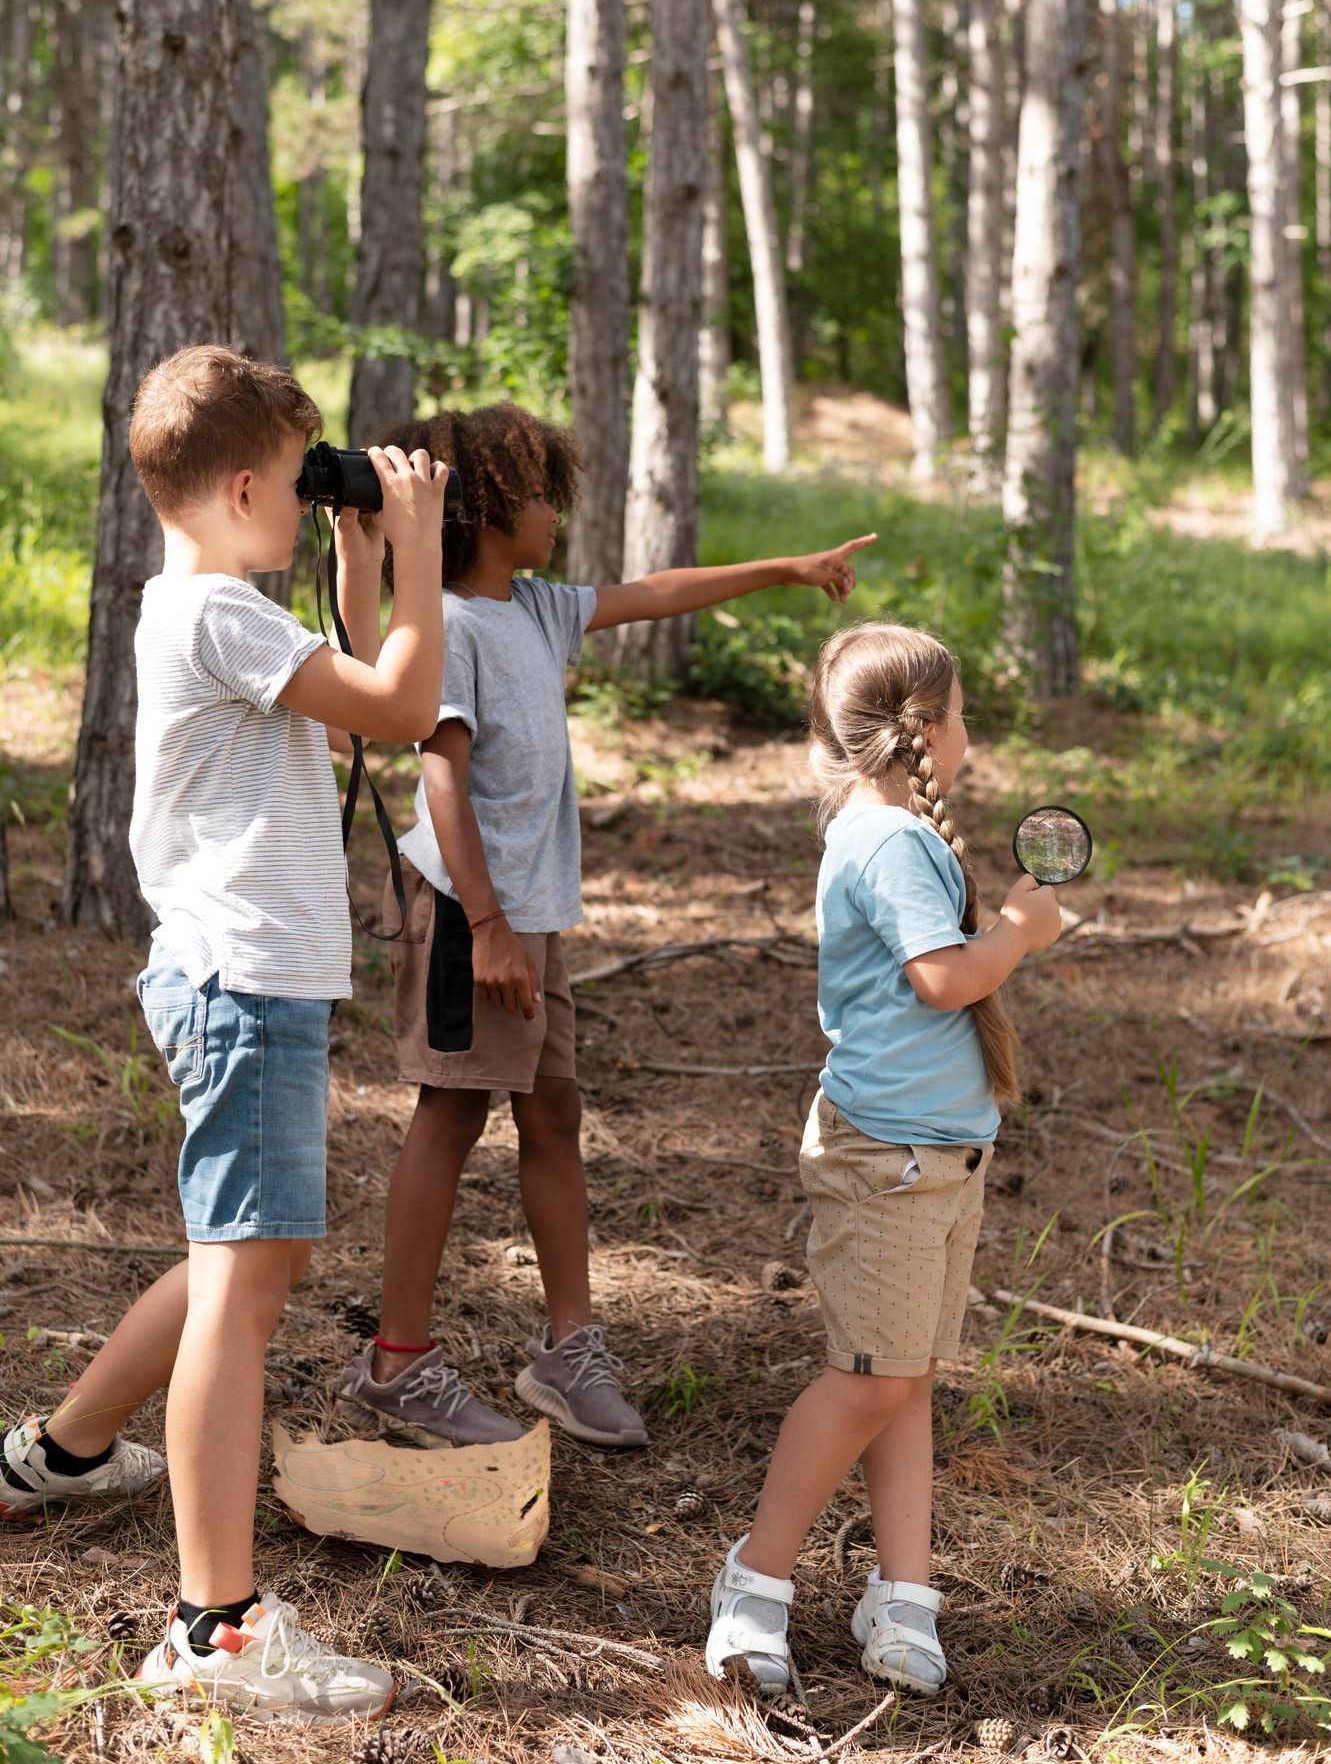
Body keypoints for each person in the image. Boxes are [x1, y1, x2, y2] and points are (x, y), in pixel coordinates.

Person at [0, 345, 448, 1723]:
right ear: (249, 483)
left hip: (244, 978)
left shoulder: (206, 600)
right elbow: (404, 705)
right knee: (247, 1286)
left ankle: (62, 1454)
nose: (306, 501)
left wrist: (361, 554)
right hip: (243, 985)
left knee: (250, 1264)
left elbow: (354, 667)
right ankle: (218, 1627)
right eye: (295, 483)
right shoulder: (216, 613)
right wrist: (421, 553)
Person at [337, 403, 875, 1449]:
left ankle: (566, 1347)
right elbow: (438, 779)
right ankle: (394, 1362)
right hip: (466, 911)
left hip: (527, 916)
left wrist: (788, 569)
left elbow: (656, 592)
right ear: (487, 507)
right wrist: (485, 924)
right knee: (447, 1117)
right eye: (539, 493)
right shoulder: (440, 623)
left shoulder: (534, 610)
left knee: (553, 1115)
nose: (554, 511)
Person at [704, 620, 1063, 1697]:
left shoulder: (884, 824)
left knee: (902, 1378)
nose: (969, 734)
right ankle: (753, 1578)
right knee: (867, 1381)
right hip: (889, 1161)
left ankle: (900, 1594)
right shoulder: (891, 840)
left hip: (940, 1154)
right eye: (960, 715)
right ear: (922, 731)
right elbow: (941, 980)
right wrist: (1018, 929)